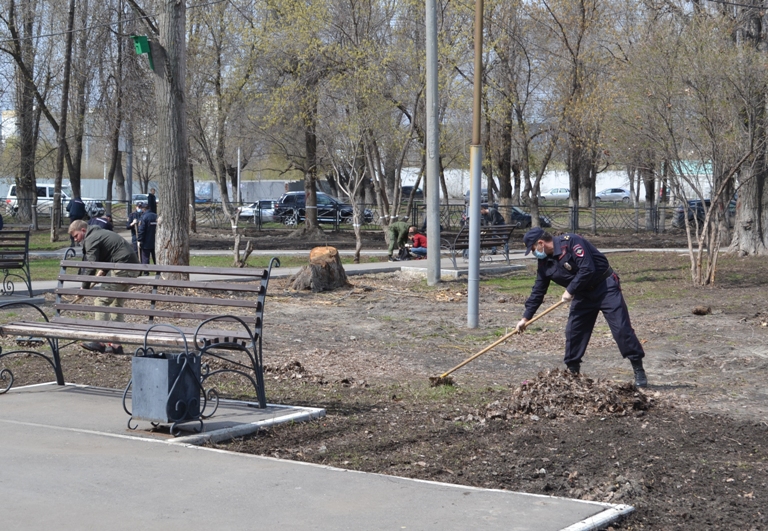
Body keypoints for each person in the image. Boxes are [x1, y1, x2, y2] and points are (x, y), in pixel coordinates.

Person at [515, 227, 648, 387]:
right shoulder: (545, 262)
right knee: (574, 331)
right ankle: (573, 372)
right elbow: (538, 289)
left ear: (541, 243)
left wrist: (570, 290)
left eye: (533, 248)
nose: (533, 252)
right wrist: (525, 318)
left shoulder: (571, 242)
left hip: (605, 287)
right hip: (582, 294)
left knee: (621, 328)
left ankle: (638, 369)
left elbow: (587, 268)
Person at [68, 220, 140, 355]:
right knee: (116, 304)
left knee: (100, 301)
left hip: (122, 267)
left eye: (76, 236)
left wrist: (84, 287)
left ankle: (99, 341)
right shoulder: (99, 233)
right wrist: (104, 270)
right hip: (132, 268)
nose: (76, 240)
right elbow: (112, 252)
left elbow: (90, 264)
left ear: (83, 230)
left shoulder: (91, 238)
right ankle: (116, 344)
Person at [137, 202, 157, 266]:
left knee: (145, 257)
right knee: (156, 257)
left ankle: (146, 272)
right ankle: (158, 271)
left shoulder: (144, 217)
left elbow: (141, 230)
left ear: (143, 209)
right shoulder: (156, 216)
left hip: (146, 242)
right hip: (156, 241)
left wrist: (139, 240)